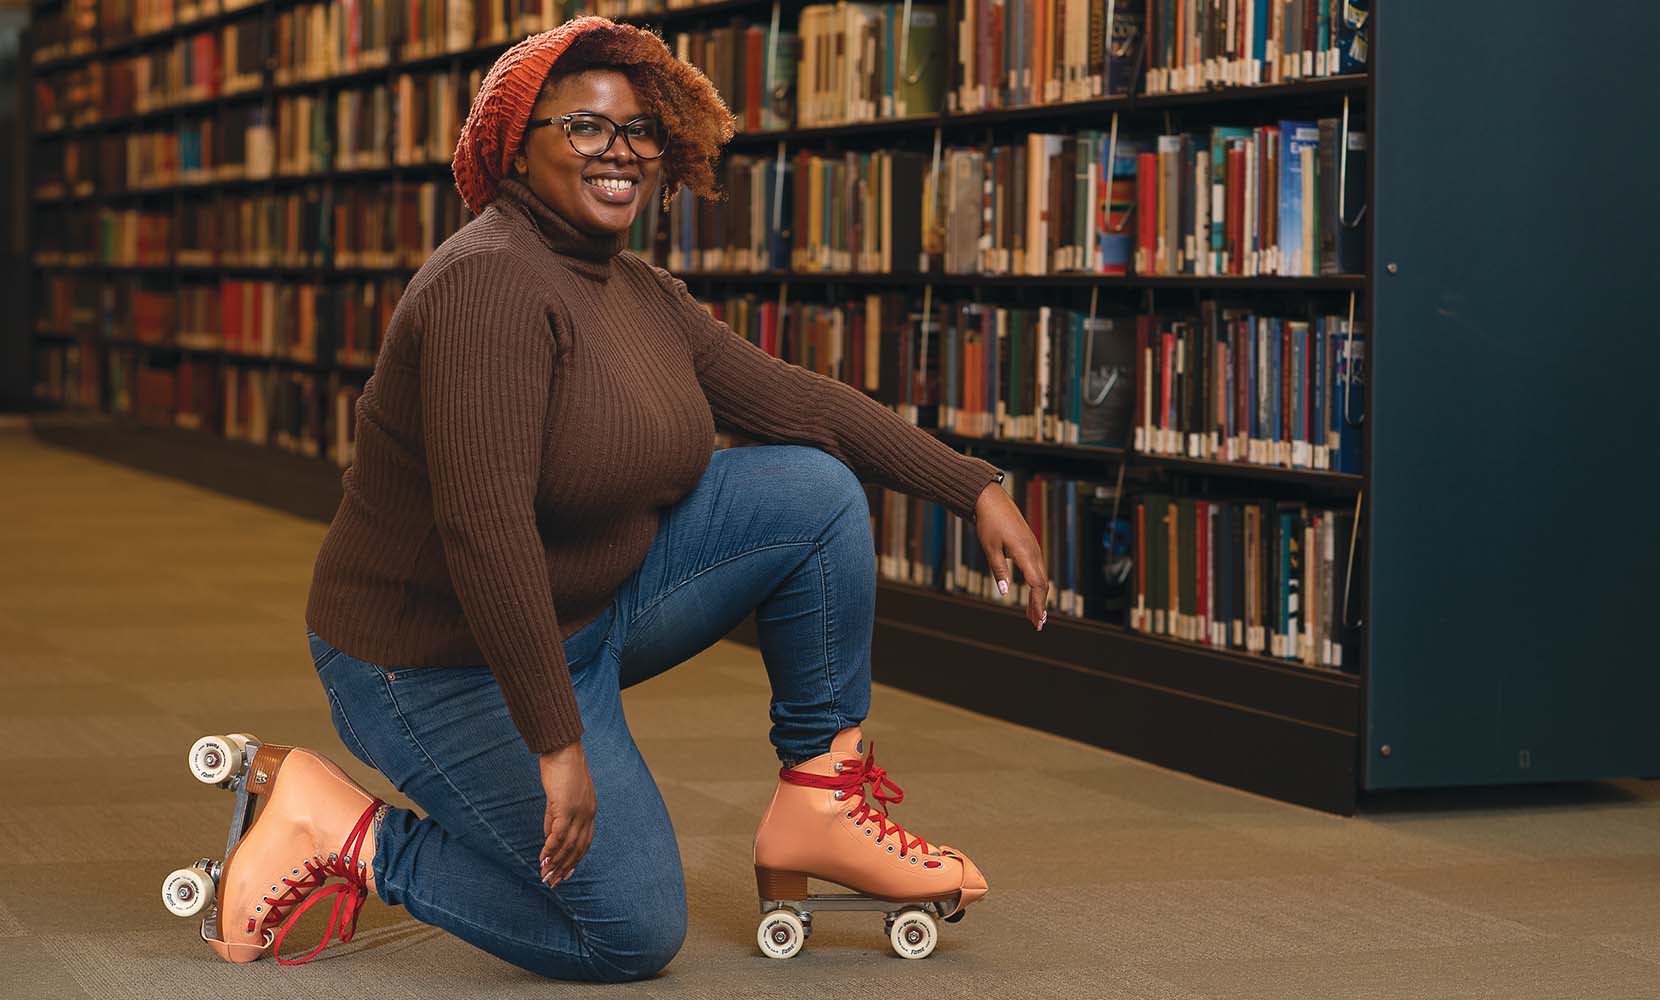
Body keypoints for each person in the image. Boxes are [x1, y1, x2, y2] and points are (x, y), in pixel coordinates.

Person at [199, 16, 1049, 981]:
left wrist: (972, 486)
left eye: (641, 132)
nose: (623, 155)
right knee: (629, 929)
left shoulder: (636, 290)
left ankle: (820, 799)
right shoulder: (487, 287)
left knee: (811, 490)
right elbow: (485, 537)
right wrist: (556, 745)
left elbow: (801, 404)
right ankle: (341, 831)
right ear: (517, 146)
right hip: (435, 664)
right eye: (587, 129)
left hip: (585, 611)